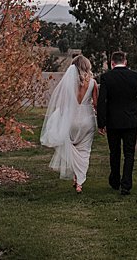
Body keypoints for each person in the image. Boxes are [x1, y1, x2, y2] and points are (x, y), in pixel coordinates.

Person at [40, 55, 98, 193]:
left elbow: (63, 102)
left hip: (70, 119)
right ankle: (79, 182)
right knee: (84, 151)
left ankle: (76, 177)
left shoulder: (68, 83)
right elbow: (96, 104)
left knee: (70, 146)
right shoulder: (93, 83)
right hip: (87, 119)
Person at [97, 51, 137, 195]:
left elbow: (101, 102)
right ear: (125, 62)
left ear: (112, 63)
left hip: (113, 121)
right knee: (129, 153)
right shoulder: (136, 76)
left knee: (114, 152)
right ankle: (126, 185)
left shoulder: (106, 77)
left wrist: (101, 123)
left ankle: (115, 181)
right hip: (130, 121)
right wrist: (133, 105)